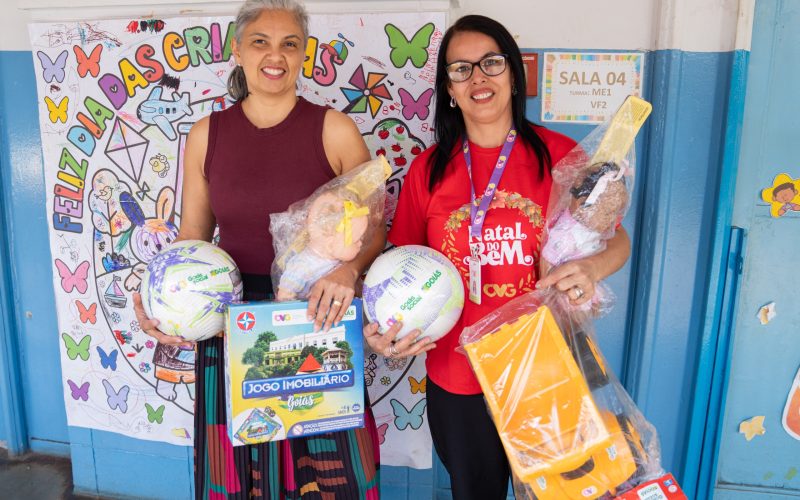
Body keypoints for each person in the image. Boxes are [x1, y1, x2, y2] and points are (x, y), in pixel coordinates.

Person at [366, 15, 632, 500]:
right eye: (461, 69)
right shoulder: (429, 169)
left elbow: (616, 240)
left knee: (563, 494)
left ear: (513, 73)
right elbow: (400, 266)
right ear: (449, 89)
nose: (478, 78)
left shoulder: (559, 155)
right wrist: (386, 328)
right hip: (457, 374)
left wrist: (591, 268)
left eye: (491, 62)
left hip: (546, 365)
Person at [133, 0, 384, 497]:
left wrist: (348, 271)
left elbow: (373, 228)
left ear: (304, 53)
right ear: (238, 51)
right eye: (260, 42)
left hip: (315, 315)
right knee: (240, 473)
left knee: (329, 469)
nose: (276, 55)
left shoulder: (334, 129)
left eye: (290, 43)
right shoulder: (207, 135)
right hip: (229, 322)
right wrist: (162, 304)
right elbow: (192, 237)